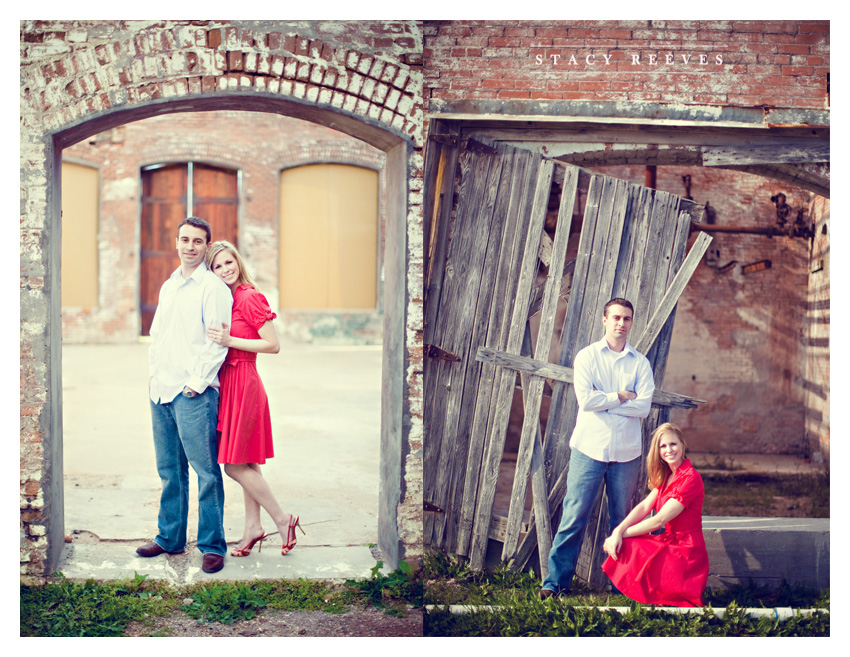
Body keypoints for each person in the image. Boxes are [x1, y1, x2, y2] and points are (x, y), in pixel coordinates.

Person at [541, 298, 655, 598]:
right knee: (574, 516)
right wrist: (621, 396)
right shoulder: (588, 357)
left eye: (627, 319)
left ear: (631, 323)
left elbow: (643, 408)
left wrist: (607, 402)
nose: (621, 323)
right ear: (604, 320)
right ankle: (555, 584)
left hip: (626, 454)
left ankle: (623, 587)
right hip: (589, 449)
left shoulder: (640, 363)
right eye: (616, 317)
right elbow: (587, 402)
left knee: (623, 520)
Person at [137, 217, 232, 574]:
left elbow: (217, 341)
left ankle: (212, 545)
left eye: (198, 241)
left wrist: (197, 382)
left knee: (205, 472)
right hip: (161, 390)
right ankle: (170, 538)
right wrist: (154, 378)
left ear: (207, 246)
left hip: (193, 394)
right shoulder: (169, 285)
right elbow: (158, 334)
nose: (190, 246)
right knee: (169, 470)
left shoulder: (213, 288)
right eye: (185, 239)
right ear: (176, 242)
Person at [204, 240, 304, 557]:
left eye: (228, 262)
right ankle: (252, 528)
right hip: (230, 384)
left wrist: (229, 339)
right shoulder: (227, 299)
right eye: (217, 266)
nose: (225, 269)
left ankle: (282, 518)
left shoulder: (248, 296)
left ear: (238, 262)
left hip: (244, 383)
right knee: (247, 461)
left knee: (233, 466)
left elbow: (273, 344)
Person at [601, 423, 709, 607]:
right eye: (663, 446)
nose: (669, 450)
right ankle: (650, 592)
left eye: (673, 444)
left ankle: (672, 590)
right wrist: (618, 530)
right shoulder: (668, 475)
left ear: (682, 445)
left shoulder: (691, 477)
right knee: (628, 543)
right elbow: (644, 507)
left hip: (686, 549)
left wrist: (620, 535)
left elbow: (659, 520)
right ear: (658, 451)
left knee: (627, 540)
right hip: (670, 541)